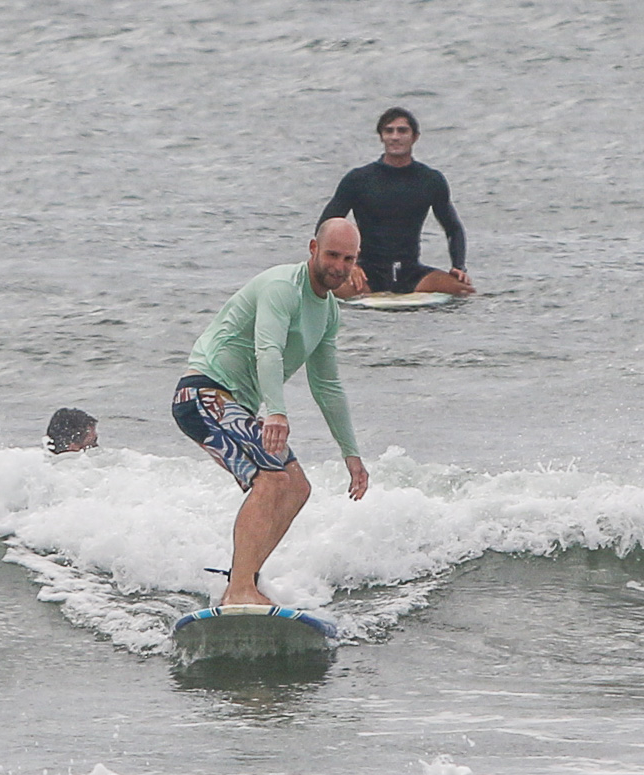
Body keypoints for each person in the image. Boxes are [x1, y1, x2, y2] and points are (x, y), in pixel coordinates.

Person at [172, 218, 369, 606]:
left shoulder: (328, 312)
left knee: (297, 488)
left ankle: (240, 581)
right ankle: (241, 589)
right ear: (313, 249)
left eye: (348, 259)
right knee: (272, 480)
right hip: (202, 393)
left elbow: (327, 385)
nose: (338, 266)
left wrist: (352, 454)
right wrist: (276, 412)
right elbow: (269, 349)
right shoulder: (283, 287)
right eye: (332, 255)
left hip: (236, 406)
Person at [317, 106, 474, 297]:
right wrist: (348, 265)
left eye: (402, 131)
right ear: (381, 137)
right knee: (329, 290)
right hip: (366, 273)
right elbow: (325, 227)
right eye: (389, 131)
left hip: (411, 272)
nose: (395, 137)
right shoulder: (358, 179)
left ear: (415, 137)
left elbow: (453, 229)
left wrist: (458, 266)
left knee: (464, 290)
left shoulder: (430, 180)